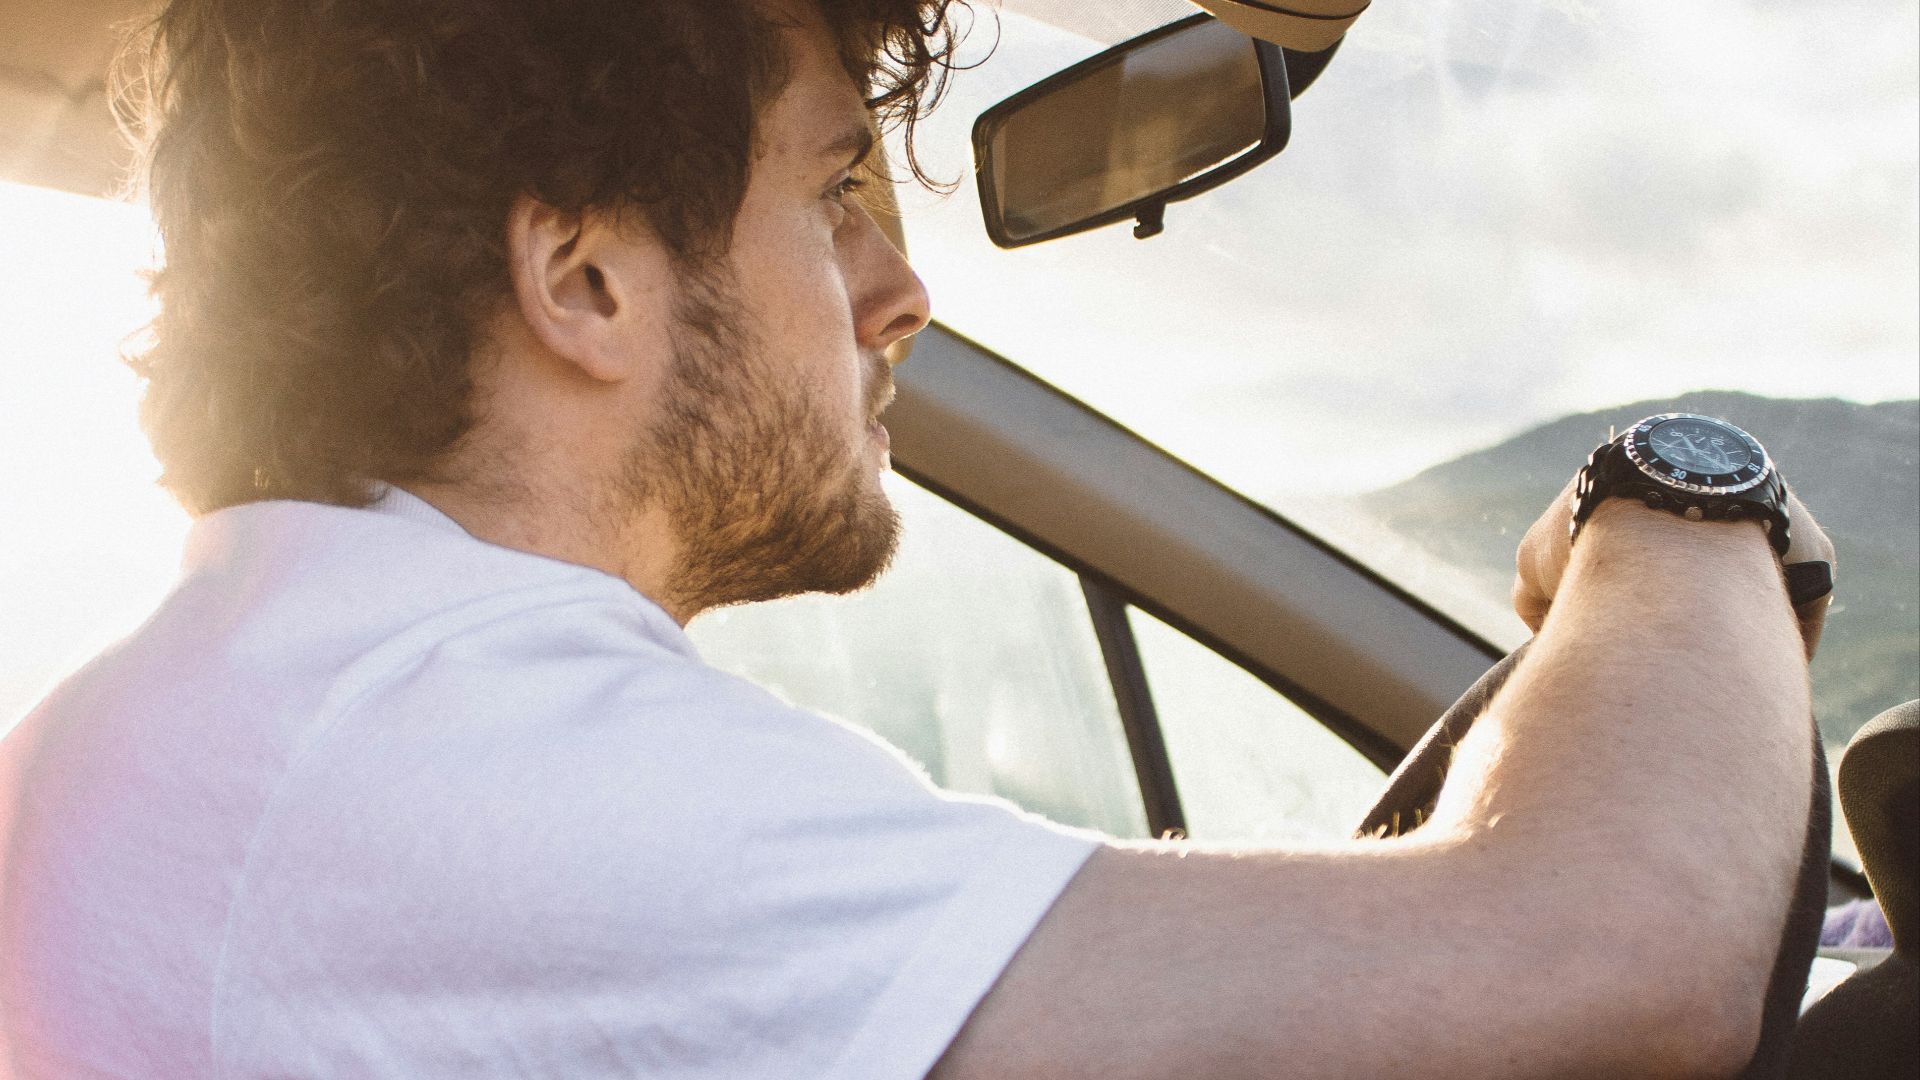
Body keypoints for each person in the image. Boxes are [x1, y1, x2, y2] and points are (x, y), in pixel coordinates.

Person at [0, 0, 1836, 1076]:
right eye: (832, 193)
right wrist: (1684, 501)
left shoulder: (292, 693)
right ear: (584, 277)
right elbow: (1611, 954)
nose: (902, 293)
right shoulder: (432, 744)